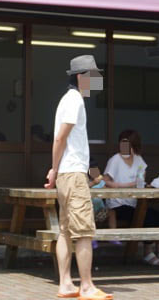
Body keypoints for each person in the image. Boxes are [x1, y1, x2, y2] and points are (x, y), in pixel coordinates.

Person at [45, 55, 112, 300]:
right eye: (94, 75)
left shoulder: (67, 100)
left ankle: (65, 284)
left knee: (64, 231)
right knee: (84, 231)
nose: (98, 79)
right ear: (82, 77)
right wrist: (54, 168)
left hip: (65, 173)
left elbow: (61, 140)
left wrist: (54, 170)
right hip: (73, 173)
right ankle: (86, 286)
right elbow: (60, 138)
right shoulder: (75, 101)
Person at [103, 129, 159, 266]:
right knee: (147, 217)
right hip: (118, 205)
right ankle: (147, 252)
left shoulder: (139, 160)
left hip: (135, 202)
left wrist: (142, 181)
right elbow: (105, 181)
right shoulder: (115, 160)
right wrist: (124, 185)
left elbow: (141, 179)